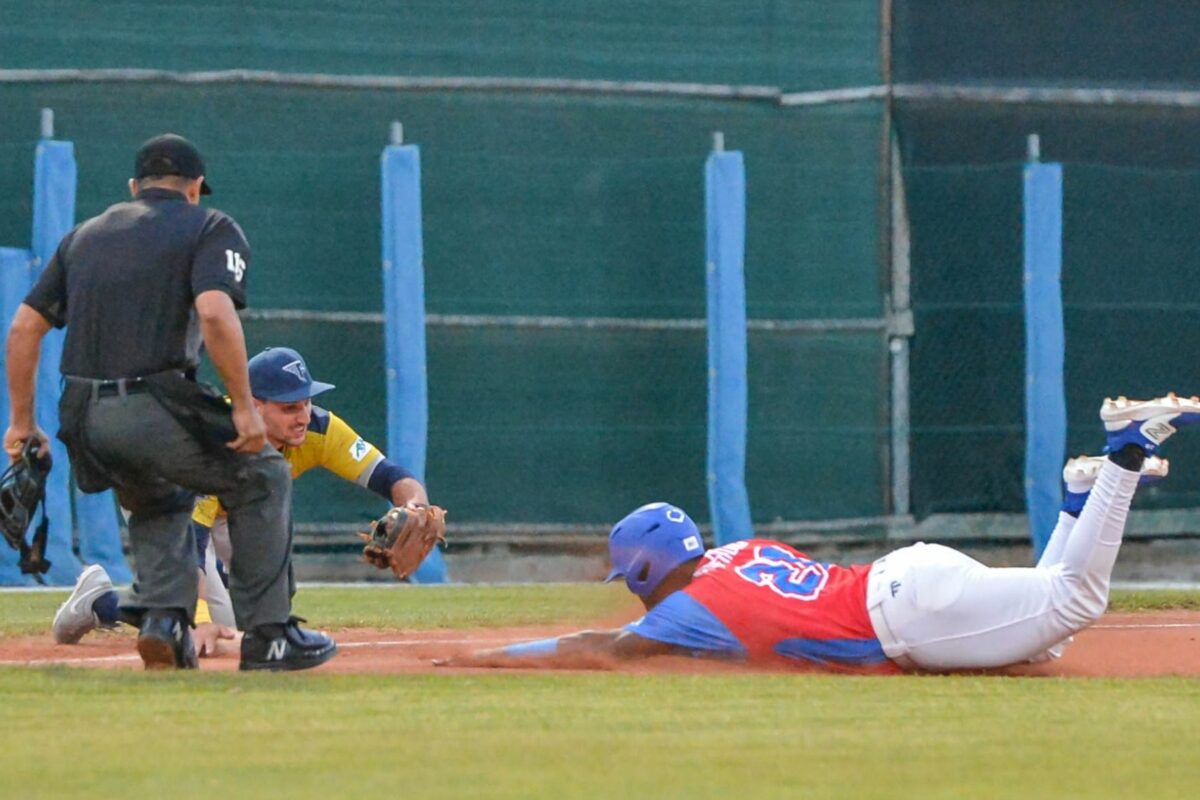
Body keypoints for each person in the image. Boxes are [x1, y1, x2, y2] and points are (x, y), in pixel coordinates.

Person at [439, 394, 1200, 672]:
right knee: (1044, 637)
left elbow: (598, 649)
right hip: (908, 579)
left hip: (909, 617)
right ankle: (1078, 496)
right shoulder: (740, 550)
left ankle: (1124, 455)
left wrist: (492, 656)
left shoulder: (685, 612)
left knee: (1072, 603)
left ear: (646, 571)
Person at [5, 134, 335, 671]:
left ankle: (163, 621)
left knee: (157, 496)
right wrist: (245, 408)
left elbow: (23, 328)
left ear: (135, 187)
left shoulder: (82, 237)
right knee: (263, 475)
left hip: (82, 417)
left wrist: (22, 423)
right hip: (154, 400)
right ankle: (271, 634)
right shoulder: (209, 227)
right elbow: (213, 312)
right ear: (195, 189)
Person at [51, 346, 436, 656]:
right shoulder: (216, 441)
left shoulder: (319, 428)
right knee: (197, 630)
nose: (302, 415)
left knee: (261, 625)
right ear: (253, 404)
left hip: (235, 509)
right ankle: (99, 602)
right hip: (167, 500)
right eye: (288, 407)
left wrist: (415, 506)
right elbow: (191, 544)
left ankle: (134, 603)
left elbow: (391, 476)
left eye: (304, 402)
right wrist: (198, 618)